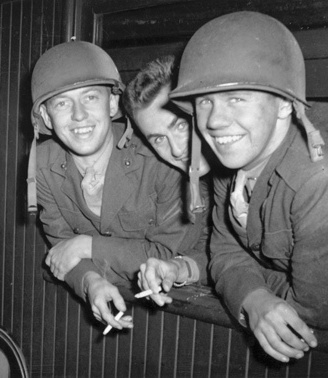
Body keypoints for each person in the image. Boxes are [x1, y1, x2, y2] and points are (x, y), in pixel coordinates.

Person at [169, 11, 327, 363]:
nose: (214, 120)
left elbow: (316, 308)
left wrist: (247, 284)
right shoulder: (237, 157)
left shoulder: (318, 178)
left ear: (286, 102)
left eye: (237, 97)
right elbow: (224, 250)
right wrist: (254, 299)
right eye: (204, 100)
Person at [28, 41, 208, 333]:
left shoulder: (161, 155)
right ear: (47, 118)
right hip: (98, 310)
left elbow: (168, 255)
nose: (78, 115)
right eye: (62, 103)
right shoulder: (42, 165)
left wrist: (87, 246)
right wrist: (90, 282)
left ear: (112, 103)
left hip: (174, 312)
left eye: (89, 97)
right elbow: (62, 246)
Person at [123, 56, 213, 306]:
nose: (175, 150)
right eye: (158, 139)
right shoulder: (195, 183)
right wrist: (178, 267)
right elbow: (219, 252)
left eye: (181, 126)